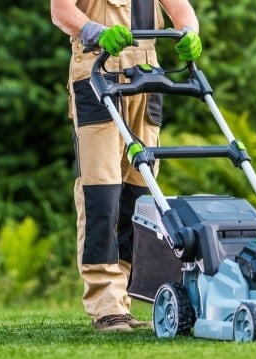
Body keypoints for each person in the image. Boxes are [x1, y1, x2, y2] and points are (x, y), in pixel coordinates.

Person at [50, 0, 202, 332]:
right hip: (96, 71)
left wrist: (190, 32)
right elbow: (60, 11)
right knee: (101, 192)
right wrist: (95, 32)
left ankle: (123, 300)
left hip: (145, 77)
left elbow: (181, 10)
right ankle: (105, 303)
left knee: (139, 195)